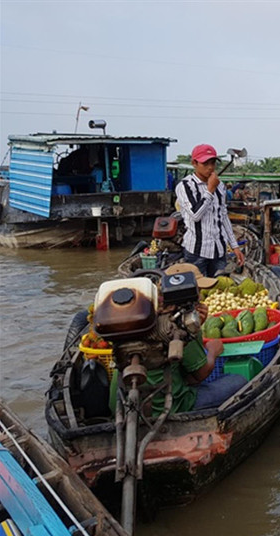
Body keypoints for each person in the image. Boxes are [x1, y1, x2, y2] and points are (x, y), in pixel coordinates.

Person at [109, 263, 247, 415]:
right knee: (238, 381)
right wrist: (213, 351)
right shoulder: (179, 325)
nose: (200, 296)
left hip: (121, 407)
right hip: (167, 408)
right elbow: (201, 374)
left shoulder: (138, 316)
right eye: (197, 291)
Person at [175, 144, 245, 277]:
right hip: (197, 251)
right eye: (205, 163)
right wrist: (210, 190)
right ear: (194, 163)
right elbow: (195, 215)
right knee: (198, 286)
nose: (210, 167)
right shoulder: (186, 186)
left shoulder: (220, 186)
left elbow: (223, 216)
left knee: (221, 285)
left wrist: (234, 246)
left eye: (213, 163)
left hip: (219, 250)